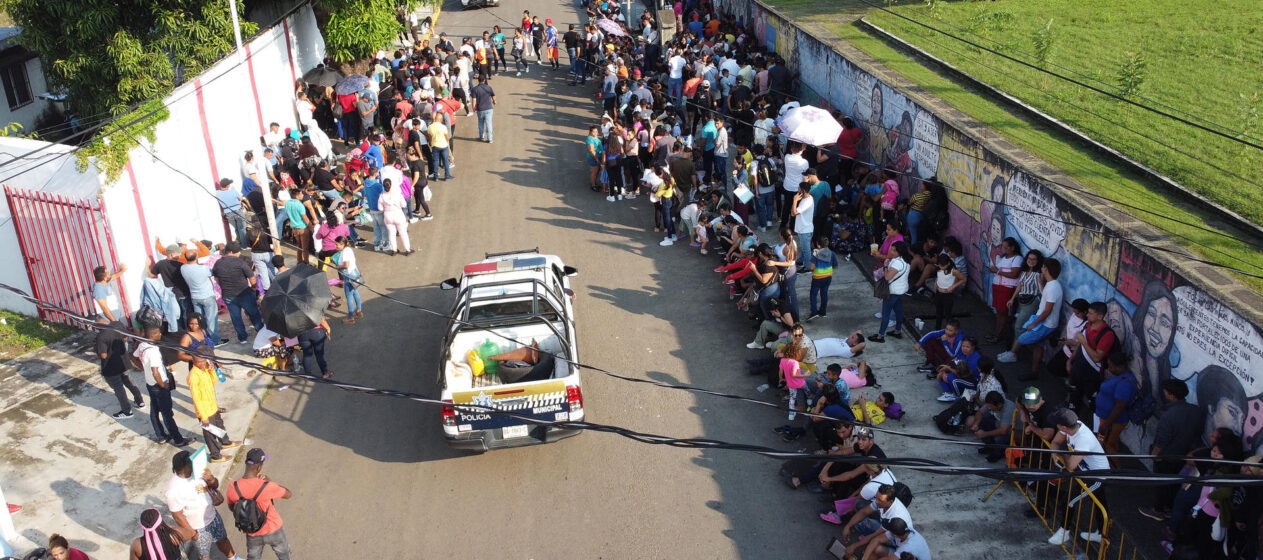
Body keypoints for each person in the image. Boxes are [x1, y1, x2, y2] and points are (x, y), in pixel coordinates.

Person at [1139, 379, 1204, 522]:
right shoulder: (1196, 411)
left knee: (1161, 484)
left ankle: (1157, 510)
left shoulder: (1169, 416)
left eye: (1166, 392)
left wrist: (1155, 455)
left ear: (1171, 395)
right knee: (1174, 483)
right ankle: (1169, 507)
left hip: (1166, 457)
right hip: (1183, 455)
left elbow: (1162, 440)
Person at [1046, 409, 1110, 545]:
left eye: (1057, 424)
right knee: (1100, 503)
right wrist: (1055, 454)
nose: (1056, 426)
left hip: (1096, 476)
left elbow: (1070, 465)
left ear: (1063, 427)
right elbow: (1055, 443)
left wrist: (1061, 455)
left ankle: (1064, 532)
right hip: (1084, 471)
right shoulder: (1071, 426)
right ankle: (1101, 533)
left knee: (1069, 500)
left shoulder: (1083, 439)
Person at [165, 451, 244, 560]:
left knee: (223, 539)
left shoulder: (197, 472)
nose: (195, 463)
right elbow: (177, 516)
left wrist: (211, 478)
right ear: (184, 467)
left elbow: (215, 485)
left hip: (214, 517)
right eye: (191, 462)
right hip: (198, 527)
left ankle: (234, 558)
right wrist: (193, 533)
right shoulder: (173, 490)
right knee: (204, 555)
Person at [998, 258, 1064, 382]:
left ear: (1046, 269)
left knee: (1023, 338)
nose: (1042, 268)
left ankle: (1048, 336)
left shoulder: (1053, 287)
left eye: (1043, 267)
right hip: (1044, 321)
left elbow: (1047, 310)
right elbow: (1047, 299)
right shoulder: (1051, 285)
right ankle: (1034, 371)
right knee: (1038, 346)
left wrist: (1034, 323)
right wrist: (1041, 284)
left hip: (1046, 323)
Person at [225, 448, 293, 560]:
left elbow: (232, 507)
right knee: (284, 555)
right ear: (259, 468)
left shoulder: (233, 487)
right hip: (273, 528)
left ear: (246, 464)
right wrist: (269, 481)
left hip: (252, 531)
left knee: (253, 557)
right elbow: (288, 494)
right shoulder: (266, 486)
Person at [132, 326, 190, 446]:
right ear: (153, 335)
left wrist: (143, 369)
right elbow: (156, 372)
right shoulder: (153, 351)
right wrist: (164, 385)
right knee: (167, 414)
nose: (160, 335)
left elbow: (134, 357)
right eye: (158, 334)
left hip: (150, 383)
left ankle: (161, 435)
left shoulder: (142, 345)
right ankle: (178, 440)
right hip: (158, 386)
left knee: (154, 410)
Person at [188, 348, 241, 463]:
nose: (202, 363)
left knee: (219, 425)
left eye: (203, 361)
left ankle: (225, 442)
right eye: (199, 362)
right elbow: (196, 399)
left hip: (212, 406)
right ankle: (215, 456)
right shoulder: (193, 376)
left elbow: (213, 382)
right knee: (210, 434)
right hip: (205, 411)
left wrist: (212, 371)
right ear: (194, 362)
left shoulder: (205, 369)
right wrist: (203, 417)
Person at [841, 483, 914, 559]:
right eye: (876, 498)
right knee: (861, 524)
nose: (876, 502)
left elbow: (876, 536)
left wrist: (854, 546)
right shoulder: (882, 501)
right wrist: (848, 526)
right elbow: (864, 512)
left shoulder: (895, 517)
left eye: (880, 500)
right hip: (889, 532)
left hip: (898, 544)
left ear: (890, 502)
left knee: (874, 543)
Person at [212, 242, 264, 344]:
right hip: (244, 292)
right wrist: (254, 289)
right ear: (231, 252)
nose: (238, 254)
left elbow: (216, 279)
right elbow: (252, 278)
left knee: (236, 317)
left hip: (228, 294)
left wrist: (224, 286)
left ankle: (242, 338)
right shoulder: (240, 262)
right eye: (237, 252)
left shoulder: (218, 263)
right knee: (254, 314)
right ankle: (261, 332)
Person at [868, 241, 911, 343]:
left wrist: (886, 266)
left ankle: (880, 336)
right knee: (899, 311)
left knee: (886, 313)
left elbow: (887, 277)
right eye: (891, 249)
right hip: (901, 290)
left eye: (894, 250)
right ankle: (897, 331)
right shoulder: (906, 260)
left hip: (892, 291)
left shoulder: (897, 263)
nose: (891, 252)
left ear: (899, 252)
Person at [180, 250, 221, 346]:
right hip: (207, 296)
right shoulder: (204, 269)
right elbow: (212, 274)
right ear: (196, 257)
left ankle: (201, 338)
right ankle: (215, 340)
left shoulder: (183, 268)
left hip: (195, 297)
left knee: (199, 320)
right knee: (211, 319)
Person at [987, 237, 1023, 343]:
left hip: (1006, 289)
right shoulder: (1004, 257)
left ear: (1013, 248)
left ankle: (998, 335)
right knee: (999, 312)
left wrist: (997, 272)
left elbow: (1014, 274)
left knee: (1003, 312)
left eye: (1006, 247)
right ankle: (996, 333)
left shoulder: (1017, 259)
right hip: (998, 287)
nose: (1004, 249)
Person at [964, 391, 1014, 462]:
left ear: (999, 405)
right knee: (983, 420)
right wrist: (976, 424)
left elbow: (1003, 430)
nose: (989, 408)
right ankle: (990, 446)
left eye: (990, 406)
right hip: (999, 424)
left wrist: (984, 434)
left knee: (999, 439)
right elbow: (980, 412)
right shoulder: (992, 403)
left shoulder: (1008, 409)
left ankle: (998, 453)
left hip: (1012, 432)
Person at [858, 517, 931, 560]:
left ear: (894, 534)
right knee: (876, 549)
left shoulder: (908, 547)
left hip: (908, 557)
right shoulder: (903, 529)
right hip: (903, 555)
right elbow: (876, 540)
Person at [377, 178, 412, 256]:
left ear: (383, 186)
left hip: (388, 216)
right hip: (398, 214)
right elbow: (404, 204)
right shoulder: (397, 194)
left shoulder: (382, 196)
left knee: (391, 233)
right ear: (391, 185)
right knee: (403, 233)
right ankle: (407, 249)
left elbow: (380, 208)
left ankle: (394, 250)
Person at [931, 253, 966, 330]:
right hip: (939, 292)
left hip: (948, 295)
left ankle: (949, 330)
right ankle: (937, 329)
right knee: (938, 313)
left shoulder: (954, 271)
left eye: (943, 266)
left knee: (948, 314)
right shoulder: (939, 268)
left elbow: (963, 279)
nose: (941, 267)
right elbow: (939, 275)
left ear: (948, 263)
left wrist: (953, 286)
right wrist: (936, 281)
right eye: (939, 265)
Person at [805, 234, 835, 322]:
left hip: (818, 278)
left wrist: (810, 268)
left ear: (818, 245)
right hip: (828, 277)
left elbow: (811, 267)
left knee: (813, 294)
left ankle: (814, 312)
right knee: (824, 293)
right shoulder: (832, 253)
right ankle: (823, 312)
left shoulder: (815, 253)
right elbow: (835, 265)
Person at [215, 178, 248, 243]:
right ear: (228, 186)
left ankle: (241, 244)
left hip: (228, 213)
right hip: (238, 211)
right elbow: (241, 198)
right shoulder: (233, 191)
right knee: (242, 228)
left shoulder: (218, 193)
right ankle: (245, 245)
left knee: (236, 229)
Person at [428, 112, 453, 180]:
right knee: (446, 161)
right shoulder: (443, 127)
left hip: (435, 146)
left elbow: (429, 137)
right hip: (443, 146)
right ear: (440, 119)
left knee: (435, 161)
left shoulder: (430, 127)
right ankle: (447, 176)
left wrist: (430, 143)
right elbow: (447, 137)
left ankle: (436, 176)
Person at [471, 77, 496, 143]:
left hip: (480, 109)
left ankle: (481, 137)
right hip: (489, 108)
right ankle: (490, 139)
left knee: (481, 123)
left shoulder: (475, 89)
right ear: (484, 80)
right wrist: (494, 101)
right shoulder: (489, 87)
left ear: (478, 80)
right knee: (489, 123)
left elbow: (474, 99)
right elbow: (493, 95)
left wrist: (473, 108)